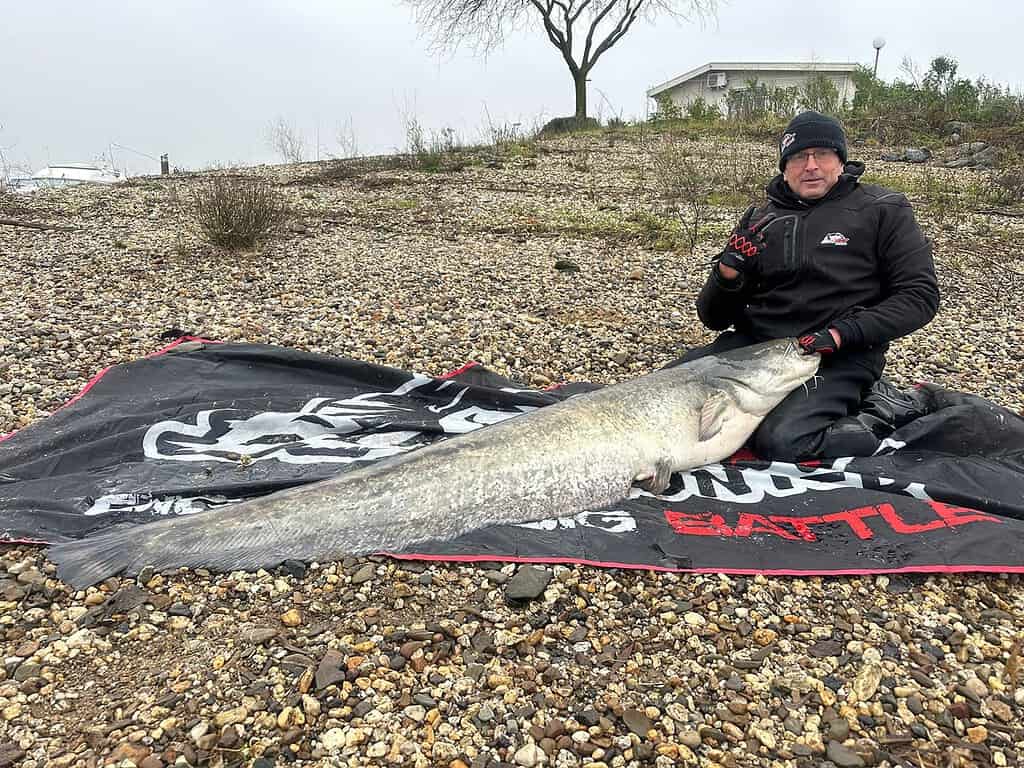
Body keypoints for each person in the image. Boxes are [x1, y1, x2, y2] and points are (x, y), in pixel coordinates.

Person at [671, 110, 939, 461]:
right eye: (798, 157)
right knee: (662, 396)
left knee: (782, 442)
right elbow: (713, 318)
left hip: (836, 354)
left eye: (822, 154)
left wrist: (843, 334)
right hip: (755, 349)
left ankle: (881, 410)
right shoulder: (758, 219)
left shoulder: (883, 209)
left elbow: (920, 296)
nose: (810, 165)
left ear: (840, 161)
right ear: (784, 166)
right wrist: (725, 276)